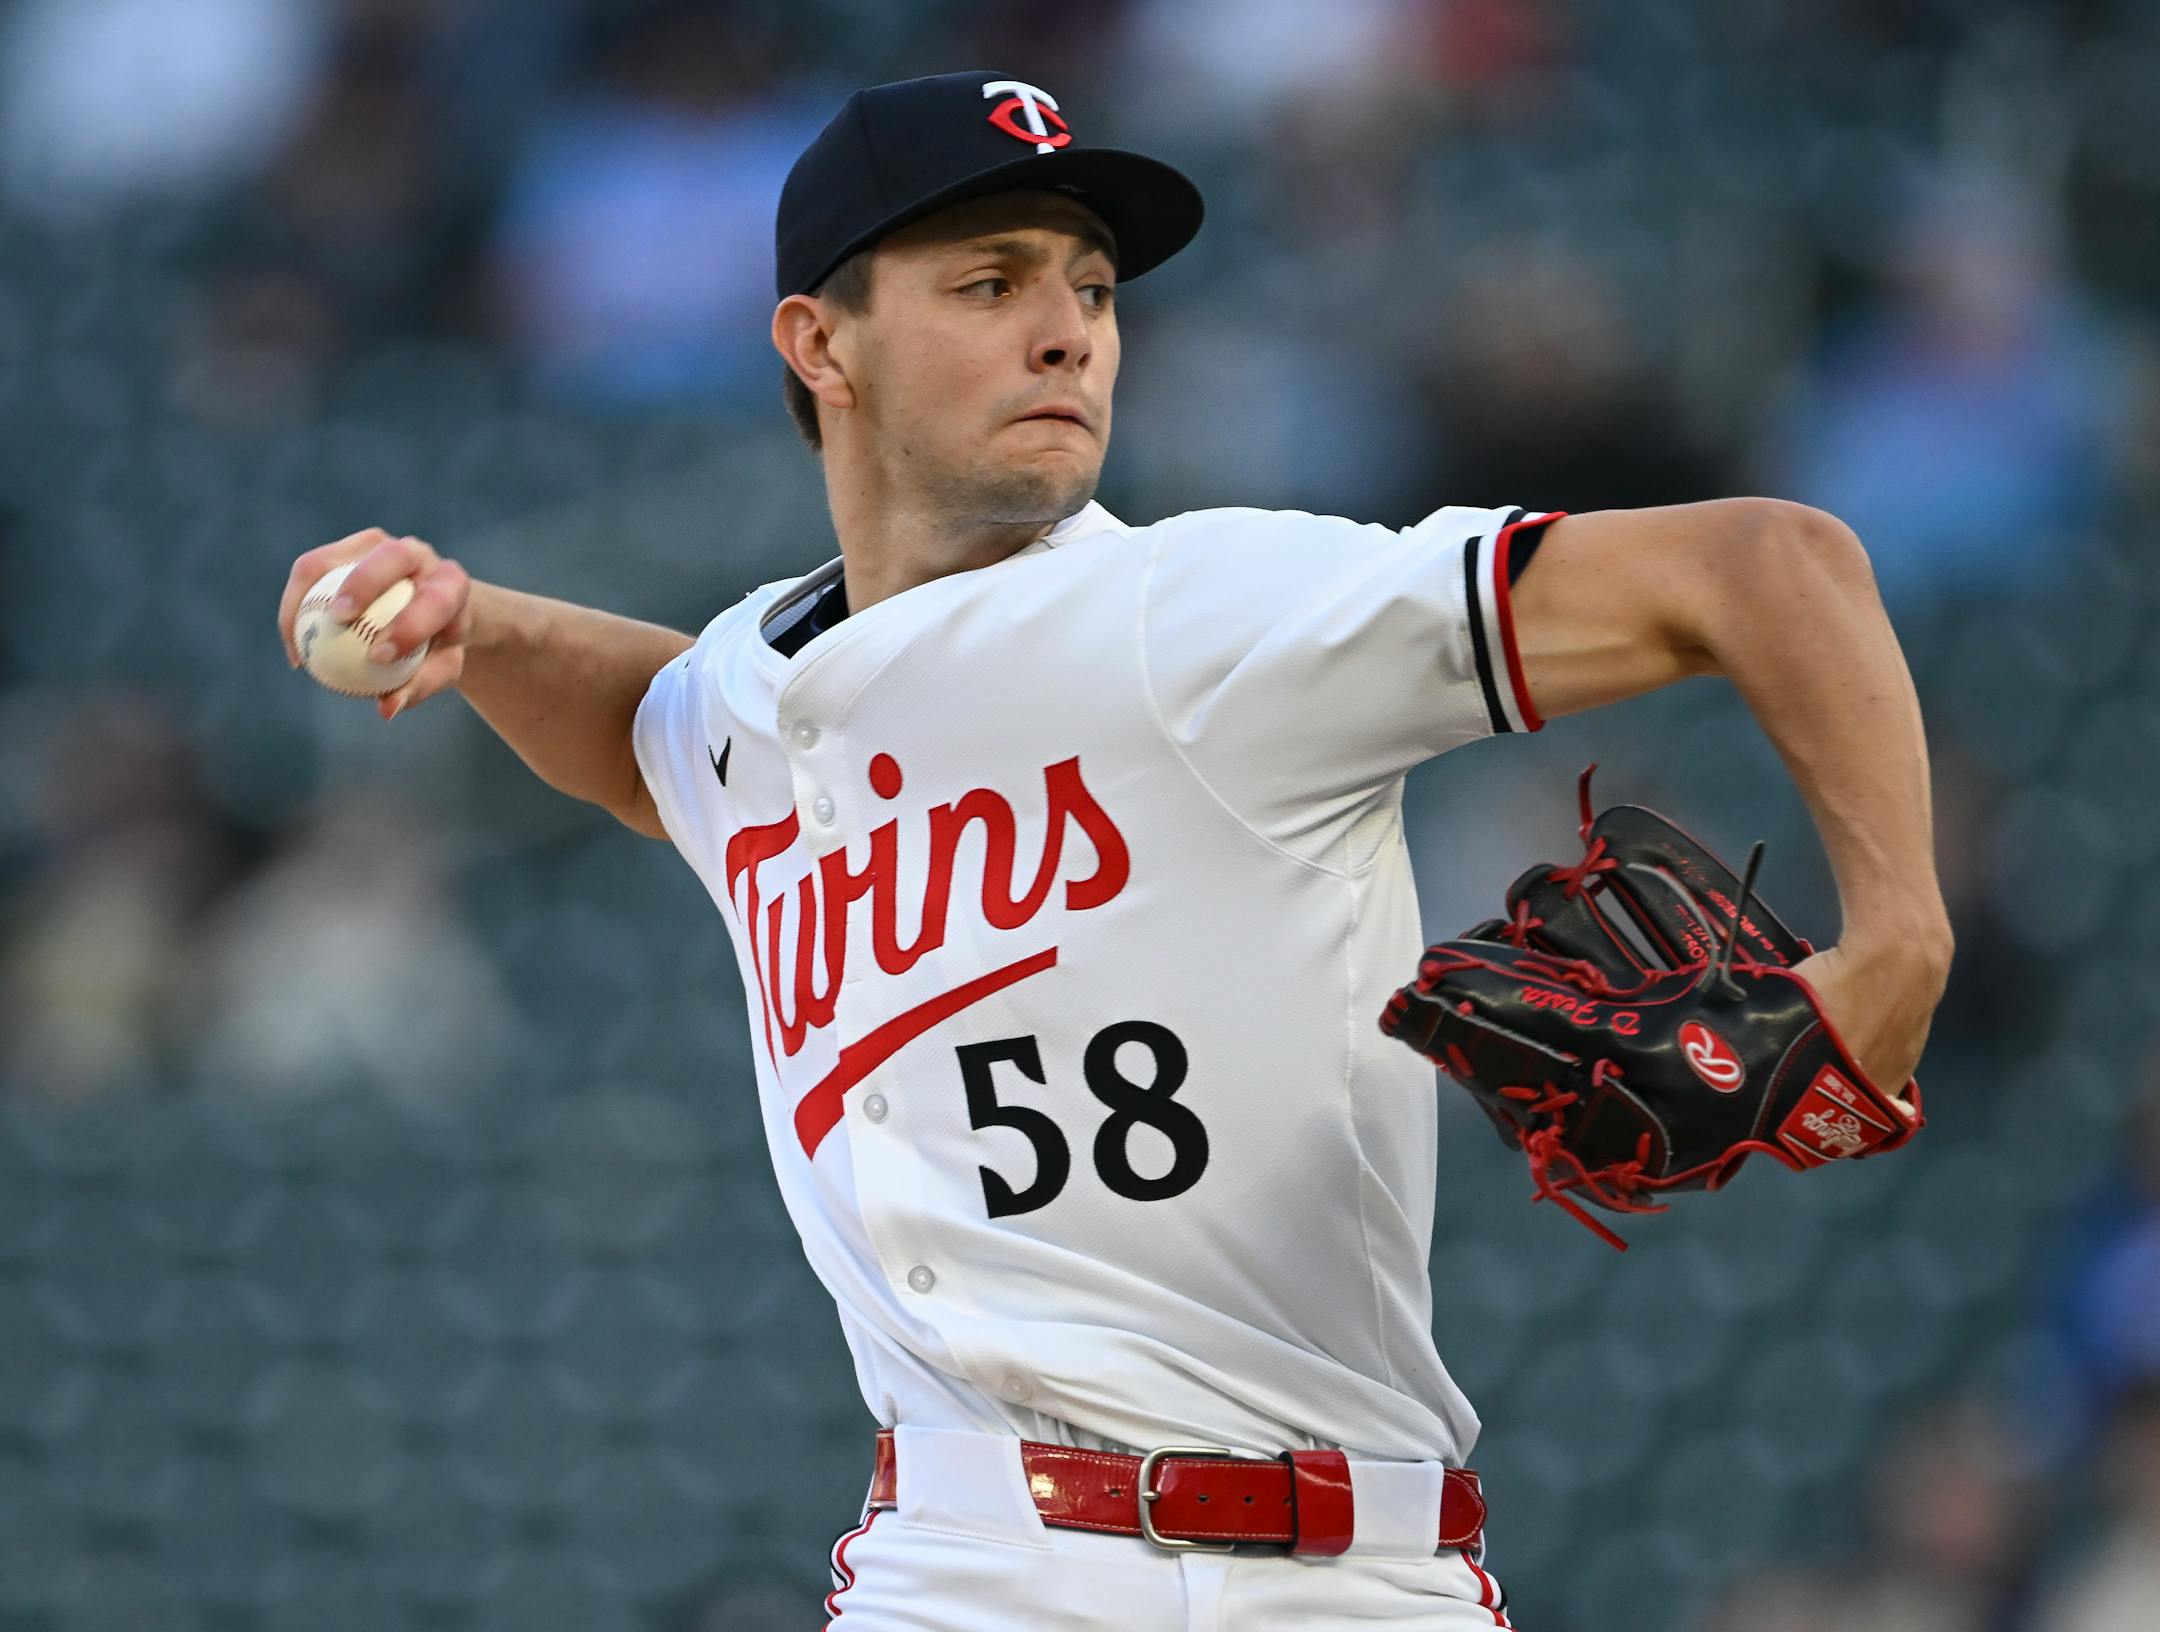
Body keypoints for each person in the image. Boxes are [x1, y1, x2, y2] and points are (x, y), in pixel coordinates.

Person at [275, 69, 1954, 1632]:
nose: (1067, 331)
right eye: (989, 282)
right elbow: (658, 741)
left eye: (1090, 288)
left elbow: (1769, 564)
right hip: (957, 1564)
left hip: (1340, 1573)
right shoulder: (749, 693)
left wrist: (1899, 941)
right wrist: (483, 626)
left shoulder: (1203, 616)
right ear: (819, 342)